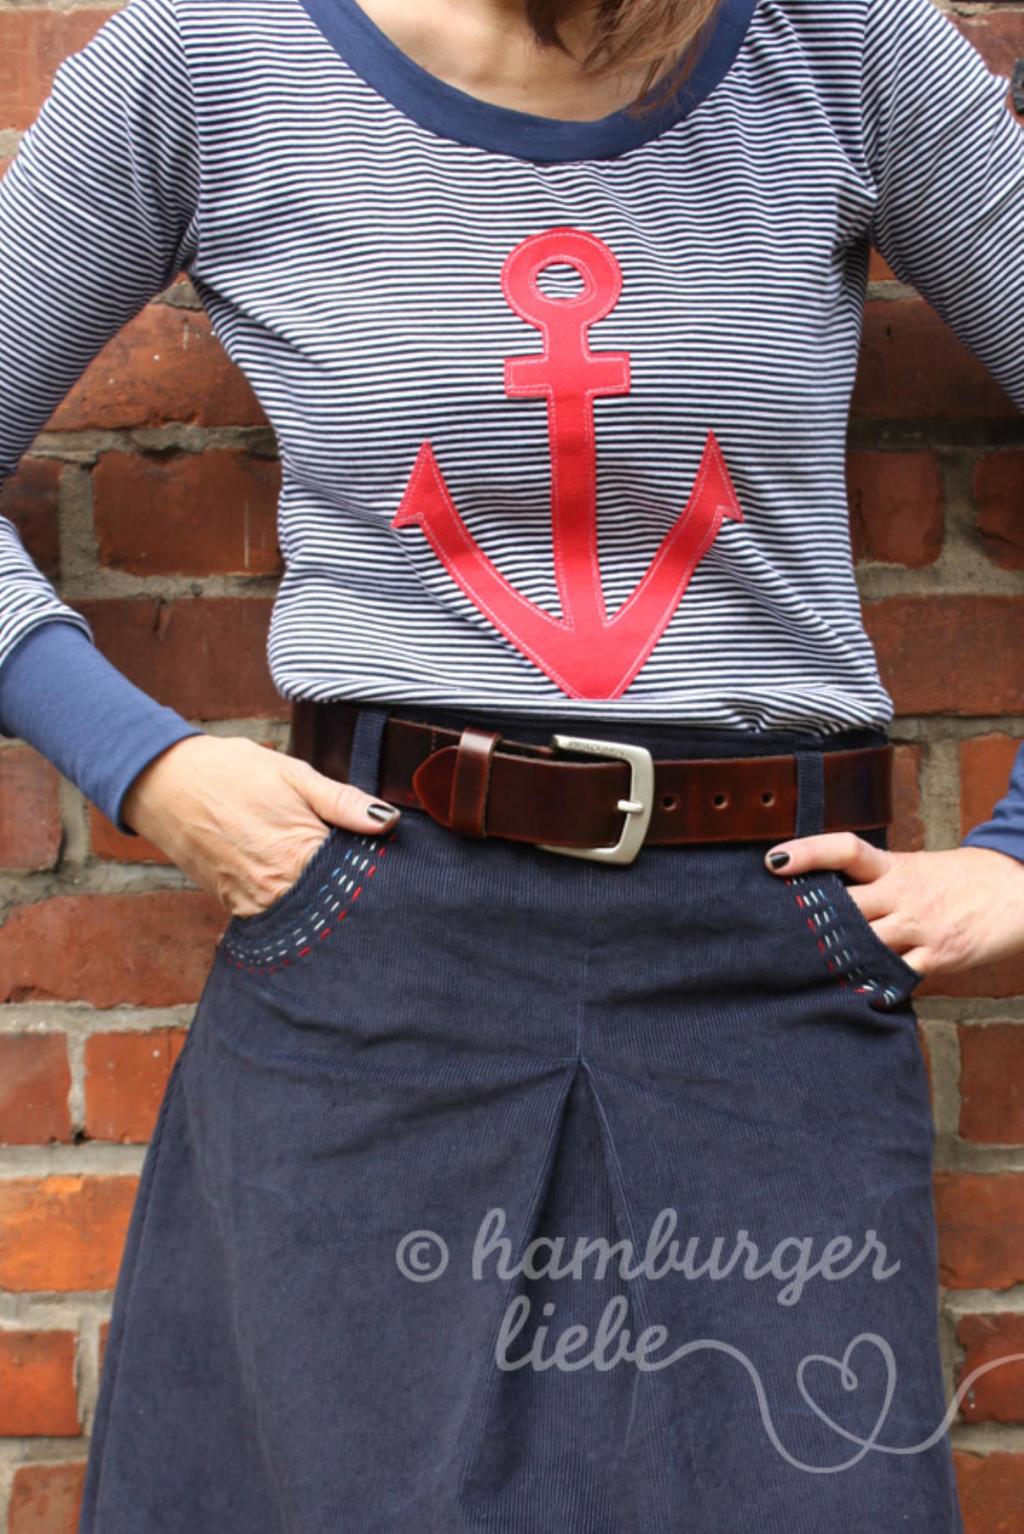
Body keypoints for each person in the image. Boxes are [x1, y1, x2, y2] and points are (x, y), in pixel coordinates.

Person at [0, 0, 1022, 1528]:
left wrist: (1020, 856)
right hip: (379, 951)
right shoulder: (209, 59)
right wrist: (144, 765)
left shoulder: (840, 44)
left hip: (761, 974)